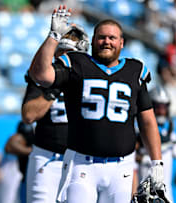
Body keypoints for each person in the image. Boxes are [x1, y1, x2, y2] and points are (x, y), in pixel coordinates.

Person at [28, 5, 167, 203]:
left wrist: (157, 163)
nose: (106, 42)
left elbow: (147, 121)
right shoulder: (76, 63)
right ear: (93, 40)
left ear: (121, 43)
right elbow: (40, 75)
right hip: (81, 164)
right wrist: (53, 37)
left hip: (122, 167)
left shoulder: (135, 71)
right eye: (102, 37)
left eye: (112, 38)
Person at [22, 25, 89, 203]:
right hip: (48, 157)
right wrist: (55, 89)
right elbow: (28, 115)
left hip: (81, 161)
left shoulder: (91, 77)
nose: (64, 57)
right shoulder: (44, 77)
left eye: (70, 52)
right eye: (61, 52)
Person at [135, 86, 176, 201]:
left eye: (164, 107)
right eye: (158, 107)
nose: (161, 111)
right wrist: (144, 158)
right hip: (144, 191)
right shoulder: (138, 131)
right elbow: (131, 157)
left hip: (166, 194)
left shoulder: (170, 133)